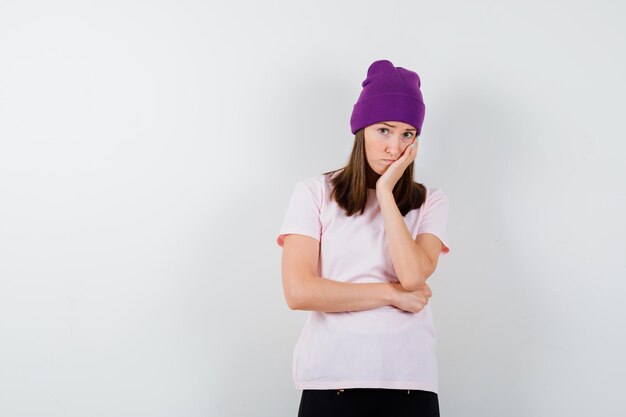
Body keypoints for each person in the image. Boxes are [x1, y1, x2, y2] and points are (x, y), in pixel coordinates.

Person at [276, 59, 450, 417]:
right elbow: (299, 292)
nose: (394, 147)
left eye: (407, 134)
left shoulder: (429, 200)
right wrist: (389, 294)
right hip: (332, 382)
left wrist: (386, 193)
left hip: (409, 384)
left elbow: (413, 276)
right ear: (361, 130)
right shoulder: (314, 193)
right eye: (384, 130)